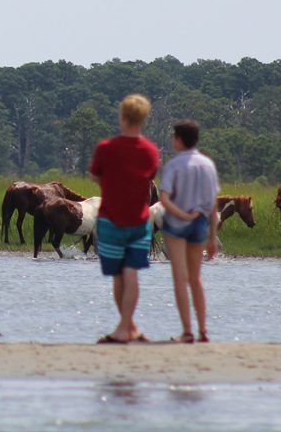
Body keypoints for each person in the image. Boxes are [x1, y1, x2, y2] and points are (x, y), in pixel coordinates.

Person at [88, 94, 160, 344]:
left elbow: (96, 176)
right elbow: (149, 176)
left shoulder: (106, 148)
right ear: (143, 118)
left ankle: (123, 328)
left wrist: (111, 184)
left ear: (122, 117)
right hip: (140, 221)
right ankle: (131, 327)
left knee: (119, 275)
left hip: (110, 220)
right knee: (132, 273)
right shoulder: (151, 152)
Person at [158, 120, 220, 344]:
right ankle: (203, 330)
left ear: (179, 140)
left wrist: (181, 215)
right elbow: (212, 203)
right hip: (200, 222)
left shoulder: (174, 165)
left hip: (177, 223)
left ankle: (187, 332)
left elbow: (164, 198)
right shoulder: (208, 165)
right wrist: (212, 237)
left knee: (179, 279)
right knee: (196, 279)